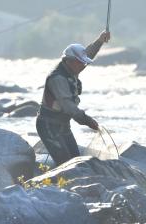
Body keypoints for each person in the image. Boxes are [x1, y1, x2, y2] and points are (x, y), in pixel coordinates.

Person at [36, 30, 111, 166]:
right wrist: (87, 120)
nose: (83, 65)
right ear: (69, 61)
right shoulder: (58, 78)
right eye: (80, 63)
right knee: (65, 165)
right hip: (48, 125)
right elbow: (69, 107)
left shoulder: (72, 67)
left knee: (75, 162)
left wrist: (100, 40)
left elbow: (87, 54)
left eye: (84, 63)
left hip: (63, 125)